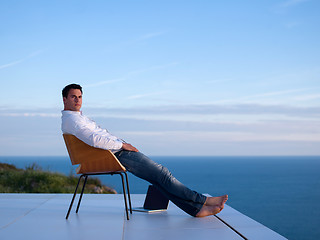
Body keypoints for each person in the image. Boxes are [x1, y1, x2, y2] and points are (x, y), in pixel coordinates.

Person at [61, 83, 228, 217]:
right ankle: (204, 200)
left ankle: (196, 209)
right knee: (162, 173)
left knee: (158, 178)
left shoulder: (77, 118)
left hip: (113, 153)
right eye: (73, 97)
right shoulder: (73, 121)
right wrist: (122, 145)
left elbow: (96, 137)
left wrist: (121, 143)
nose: (77, 100)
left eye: (80, 97)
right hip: (114, 154)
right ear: (65, 99)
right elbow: (95, 139)